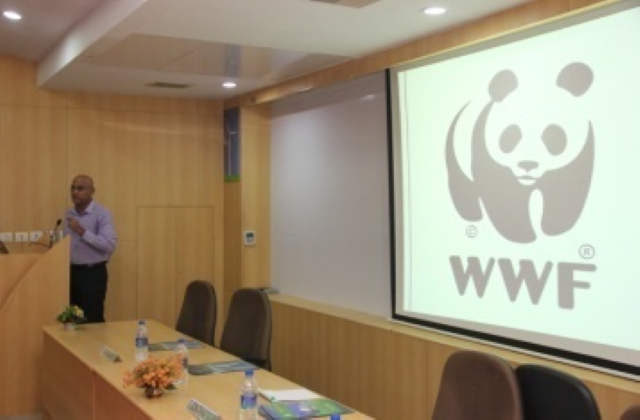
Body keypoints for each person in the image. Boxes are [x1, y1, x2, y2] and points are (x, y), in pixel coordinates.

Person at [64, 174, 117, 323]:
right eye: (73, 188)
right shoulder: (69, 214)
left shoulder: (102, 214)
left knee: (92, 319)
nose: (75, 192)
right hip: (70, 273)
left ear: (92, 191)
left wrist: (82, 231)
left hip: (92, 274)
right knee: (72, 319)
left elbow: (109, 244)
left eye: (80, 188)